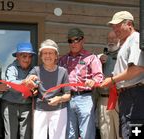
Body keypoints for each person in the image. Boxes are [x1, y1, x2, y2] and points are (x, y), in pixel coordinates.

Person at [101, 11, 144, 139]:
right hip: (127, 95)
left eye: (117, 25)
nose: (114, 29)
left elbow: (136, 69)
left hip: (135, 95)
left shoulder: (135, 39)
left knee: (133, 132)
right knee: (126, 132)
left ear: (129, 24)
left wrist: (113, 80)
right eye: (113, 26)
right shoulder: (126, 42)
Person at [59, 28, 103, 139]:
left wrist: (93, 81)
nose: (73, 43)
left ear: (83, 40)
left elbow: (99, 76)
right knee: (70, 134)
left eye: (76, 40)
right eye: (70, 40)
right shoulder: (63, 60)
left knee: (87, 134)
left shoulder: (91, 58)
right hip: (67, 98)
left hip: (85, 97)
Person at [29, 39, 71, 139]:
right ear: (41, 55)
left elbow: (68, 95)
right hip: (40, 109)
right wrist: (29, 81)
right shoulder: (36, 70)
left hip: (59, 110)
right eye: (45, 53)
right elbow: (28, 81)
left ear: (56, 55)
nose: (47, 56)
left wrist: (59, 99)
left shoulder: (63, 71)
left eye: (51, 53)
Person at [1, 42, 36, 139]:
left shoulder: (34, 69)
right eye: (24, 56)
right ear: (17, 56)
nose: (27, 59)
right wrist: (25, 82)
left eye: (30, 56)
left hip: (26, 105)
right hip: (10, 104)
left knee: (26, 135)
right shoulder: (11, 67)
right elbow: (11, 83)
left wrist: (35, 89)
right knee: (10, 136)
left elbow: (36, 84)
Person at [97, 31, 121, 139]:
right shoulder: (101, 56)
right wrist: (98, 61)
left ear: (119, 38)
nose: (111, 41)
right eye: (109, 38)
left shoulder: (124, 54)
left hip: (120, 99)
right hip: (104, 100)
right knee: (106, 133)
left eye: (114, 38)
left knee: (121, 132)